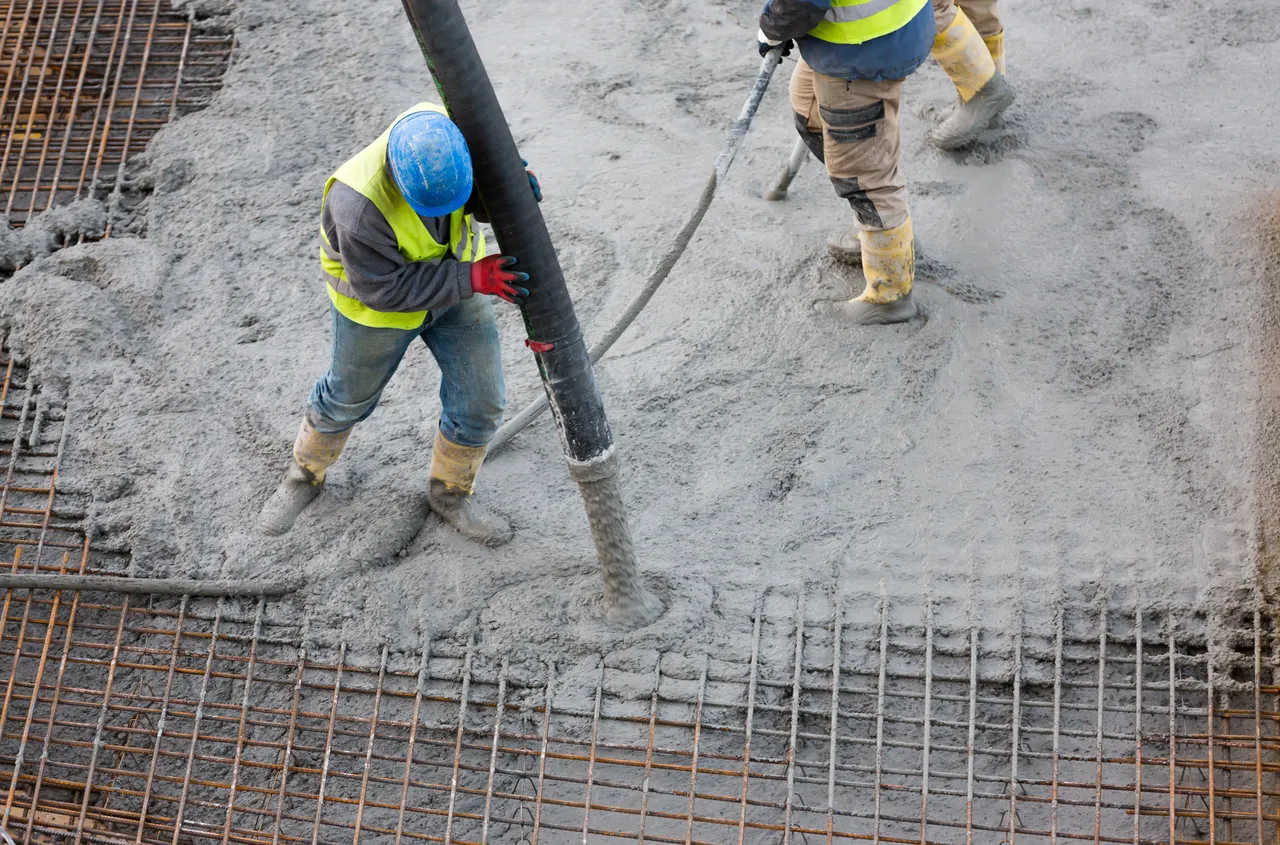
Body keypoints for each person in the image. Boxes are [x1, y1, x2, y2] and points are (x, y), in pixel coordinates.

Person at [258, 103, 538, 546]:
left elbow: (477, 201)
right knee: (346, 399)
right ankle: (303, 477)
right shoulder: (357, 207)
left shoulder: (453, 136)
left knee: (482, 403)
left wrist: (507, 189)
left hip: (460, 289)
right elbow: (382, 291)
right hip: (378, 311)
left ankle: (450, 495)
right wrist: (474, 277)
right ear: (398, 179)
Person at [759, 0, 1013, 324]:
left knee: (864, 174)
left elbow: (802, 4)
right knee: (808, 109)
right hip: (867, 30)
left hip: (859, 54)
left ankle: (889, 293)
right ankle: (890, 239)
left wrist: (772, 26)